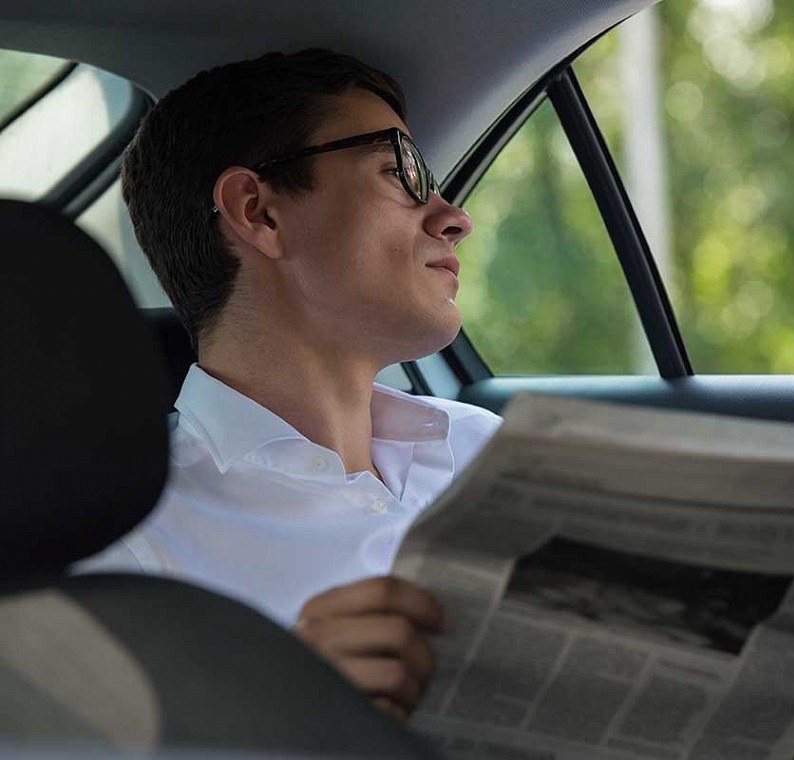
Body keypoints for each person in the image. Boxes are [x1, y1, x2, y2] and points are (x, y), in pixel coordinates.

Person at [80, 49, 502, 722]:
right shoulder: (123, 551)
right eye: (402, 174)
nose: (455, 217)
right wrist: (288, 719)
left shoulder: (495, 452)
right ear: (259, 211)